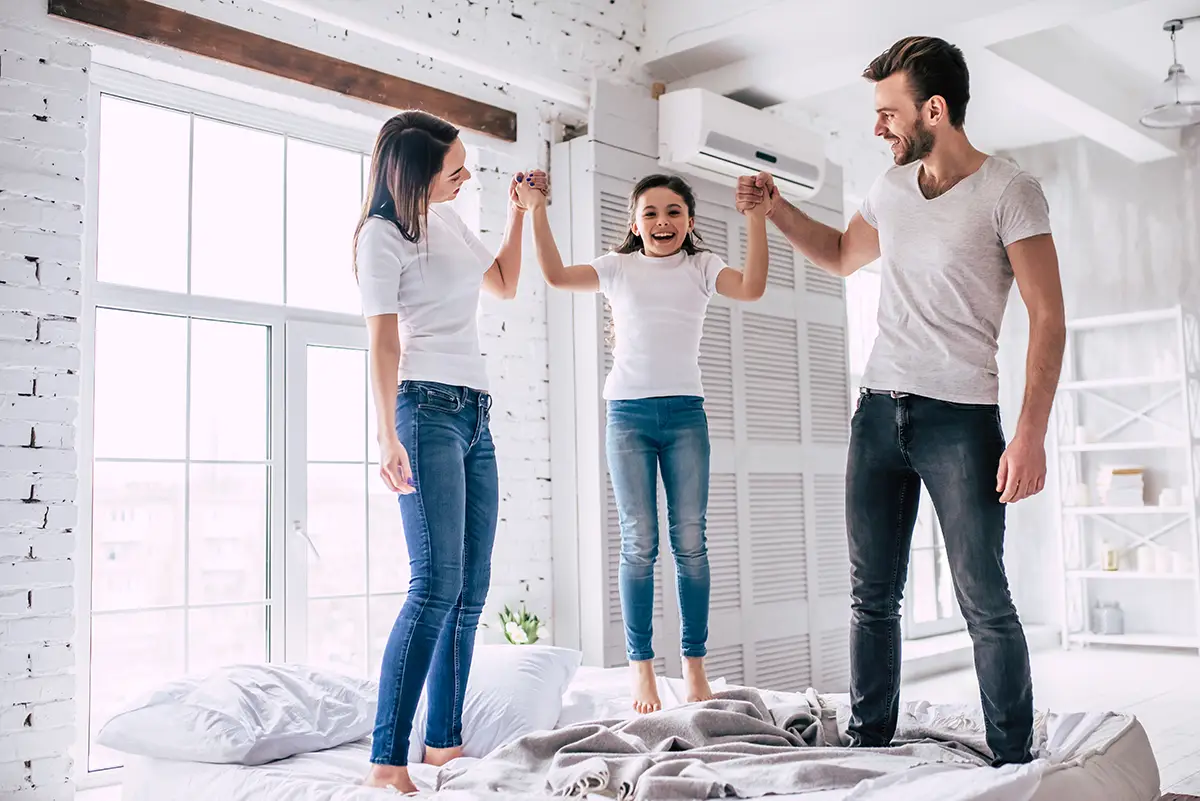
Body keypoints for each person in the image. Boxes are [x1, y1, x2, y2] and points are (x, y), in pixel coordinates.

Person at [736, 36, 1065, 766]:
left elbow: (1049, 317)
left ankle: (1013, 761)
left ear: (935, 110)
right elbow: (844, 255)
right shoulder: (890, 190)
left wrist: (1031, 434)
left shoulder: (1011, 191)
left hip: (960, 419)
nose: (878, 127)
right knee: (872, 595)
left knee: (984, 598)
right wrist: (778, 208)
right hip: (878, 413)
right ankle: (870, 746)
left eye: (888, 113)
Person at [517, 173, 770, 713]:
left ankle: (694, 668)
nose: (662, 222)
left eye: (674, 212)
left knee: (692, 544)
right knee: (639, 544)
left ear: (690, 222)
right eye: (651, 213)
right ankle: (642, 670)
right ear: (634, 223)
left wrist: (755, 218)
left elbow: (751, 287)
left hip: (685, 416)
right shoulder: (617, 268)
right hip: (628, 415)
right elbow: (558, 276)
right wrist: (536, 208)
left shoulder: (701, 267)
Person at [353, 109, 546, 792]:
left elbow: (503, 282)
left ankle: (444, 745)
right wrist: (386, 432)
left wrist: (520, 215)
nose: (466, 177)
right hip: (424, 410)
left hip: (475, 413)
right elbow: (382, 340)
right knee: (432, 586)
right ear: (415, 174)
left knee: (470, 589)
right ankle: (386, 760)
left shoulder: (450, 219)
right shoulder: (382, 236)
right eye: (455, 170)